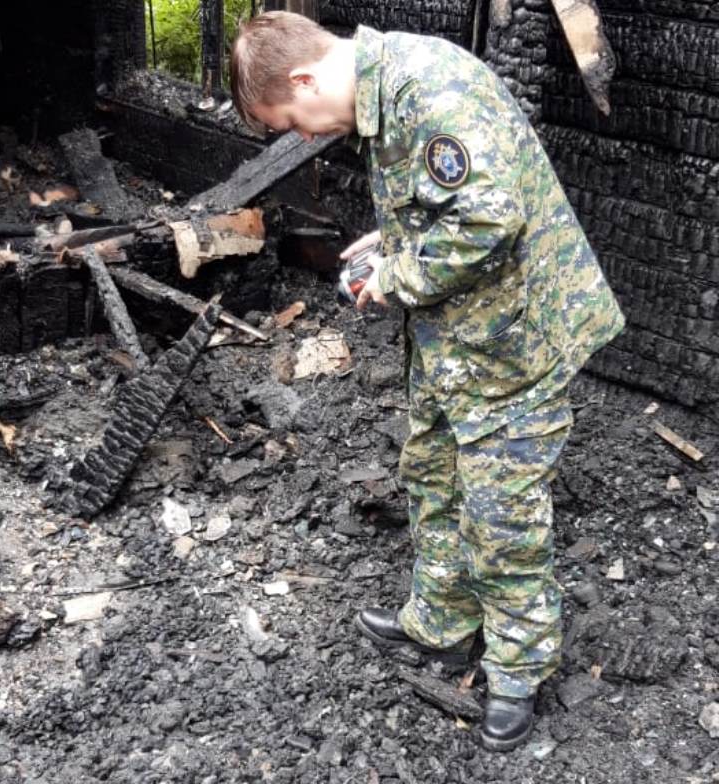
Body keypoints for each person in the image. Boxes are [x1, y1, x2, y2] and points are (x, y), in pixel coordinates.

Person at [230, 11, 624, 752]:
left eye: (294, 120)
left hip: (514, 345)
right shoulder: (388, 87)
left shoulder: (428, 90)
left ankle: (518, 672)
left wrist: (395, 274)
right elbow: (449, 200)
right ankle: (442, 621)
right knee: (434, 475)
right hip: (457, 343)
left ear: (305, 79)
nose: (307, 136)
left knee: (502, 518)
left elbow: (488, 218)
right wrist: (398, 237)